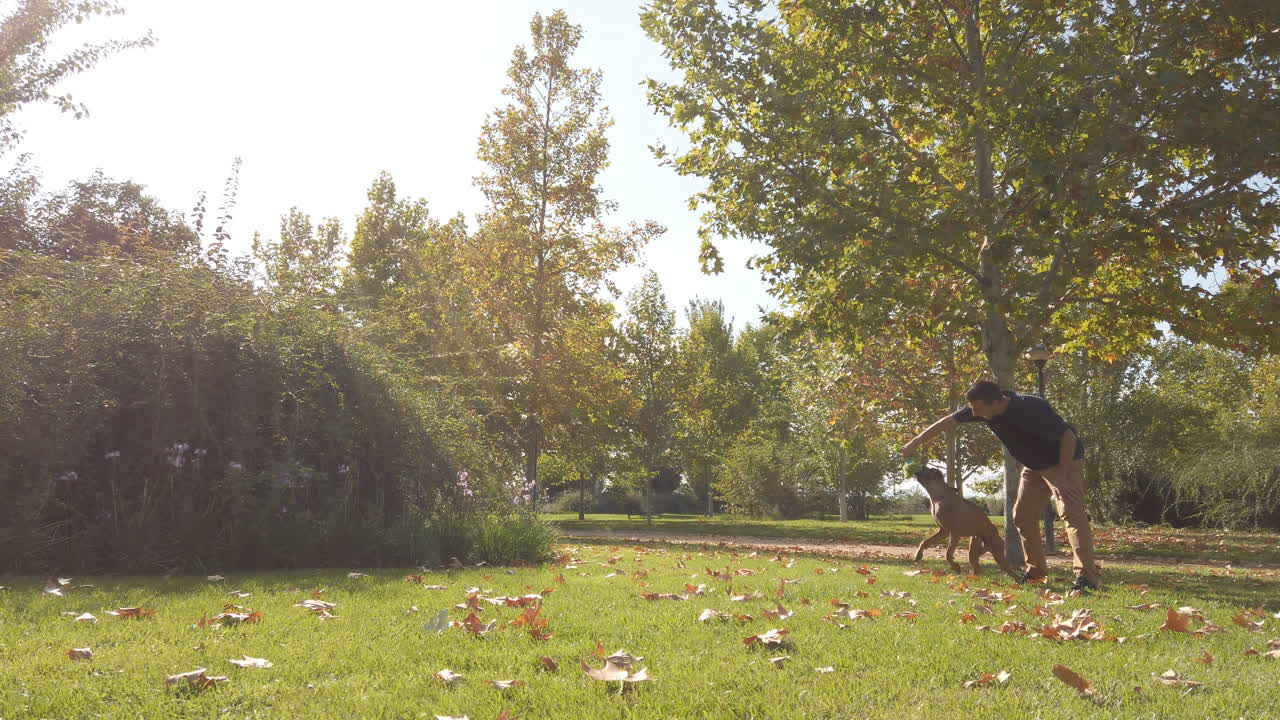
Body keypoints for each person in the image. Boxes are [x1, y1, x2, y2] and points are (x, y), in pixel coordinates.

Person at [900, 380, 1102, 592]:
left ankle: (1087, 578)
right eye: (972, 409)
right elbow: (947, 422)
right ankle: (1036, 572)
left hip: (1064, 462)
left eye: (978, 409)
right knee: (1023, 516)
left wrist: (1062, 477)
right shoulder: (981, 409)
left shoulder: (1032, 407)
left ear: (996, 402)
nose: (974, 414)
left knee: (1071, 513)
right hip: (1035, 467)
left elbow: (1068, 437)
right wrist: (915, 442)